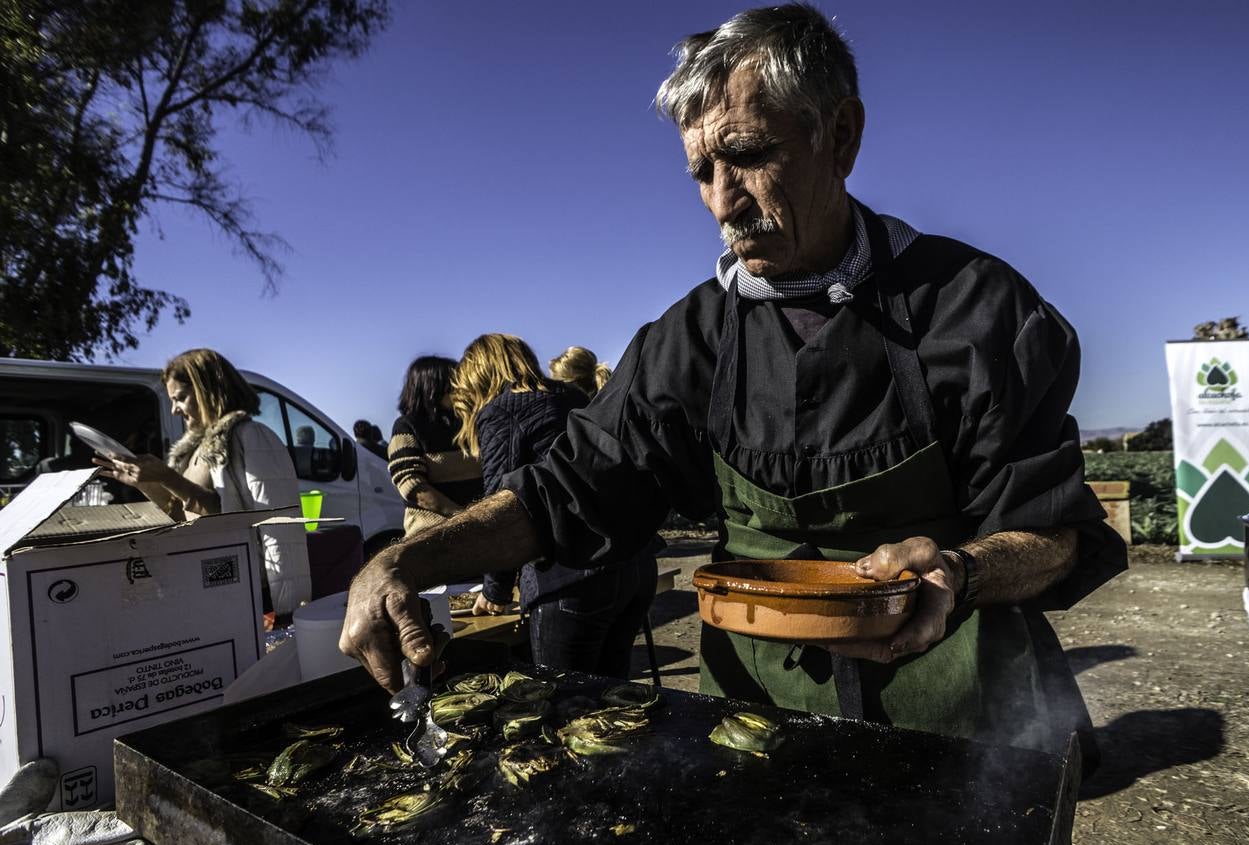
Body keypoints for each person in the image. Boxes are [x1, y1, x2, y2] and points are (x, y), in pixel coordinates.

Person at [342, 5, 1126, 758]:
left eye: (747, 154)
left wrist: (964, 568)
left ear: (841, 135)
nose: (722, 199)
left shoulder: (980, 309)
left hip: (960, 727)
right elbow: (568, 491)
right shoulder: (691, 338)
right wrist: (403, 564)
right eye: (702, 172)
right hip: (754, 731)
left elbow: (1055, 535)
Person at [451, 334, 658, 678]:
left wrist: (495, 590)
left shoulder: (501, 411)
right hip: (632, 563)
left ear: (478, 376)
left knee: (564, 702)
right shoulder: (571, 395)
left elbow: (500, 507)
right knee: (613, 696)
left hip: (571, 575)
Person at [97, 348, 312, 616]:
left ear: (207, 390)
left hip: (248, 589)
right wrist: (146, 482)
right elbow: (181, 514)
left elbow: (278, 527)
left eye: (181, 398)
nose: (174, 410)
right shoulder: (197, 449)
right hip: (207, 583)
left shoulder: (251, 437)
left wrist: (287, 608)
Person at [387, 355, 483, 537]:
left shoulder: (470, 423)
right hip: (433, 536)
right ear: (433, 386)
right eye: (454, 381)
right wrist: (464, 518)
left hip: (478, 533)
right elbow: (412, 485)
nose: (462, 387)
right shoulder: (407, 426)